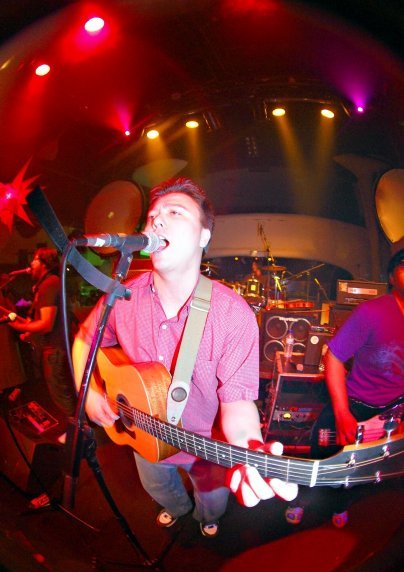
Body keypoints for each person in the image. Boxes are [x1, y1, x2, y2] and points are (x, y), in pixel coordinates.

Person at [72, 176, 297, 538]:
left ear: (204, 236)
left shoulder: (232, 314)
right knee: (159, 489)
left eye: (175, 212)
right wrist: (91, 393)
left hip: (205, 447)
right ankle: (177, 509)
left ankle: (207, 520)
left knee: (213, 503)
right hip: (143, 436)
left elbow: (239, 405)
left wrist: (251, 451)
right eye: (152, 216)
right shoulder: (122, 297)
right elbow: (84, 338)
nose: (157, 220)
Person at [285, 248, 404, 527]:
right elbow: (334, 357)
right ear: (391, 277)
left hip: (391, 412)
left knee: (360, 469)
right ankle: (300, 499)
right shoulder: (371, 312)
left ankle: (340, 505)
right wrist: (341, 413)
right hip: (354, 404)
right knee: (322, 458)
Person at [10, 247, 77, 422]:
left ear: (44, 262)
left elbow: (46, 324)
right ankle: (76, 425)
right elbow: (39, 321)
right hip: (52, 348)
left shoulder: (50, 283)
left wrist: (18, 325)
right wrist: (24, 327)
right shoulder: (45, 284)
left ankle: (78, 428)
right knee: (59, 391)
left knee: (60, 392)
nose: (31, 263)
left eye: (34, 259)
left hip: (55, 348)